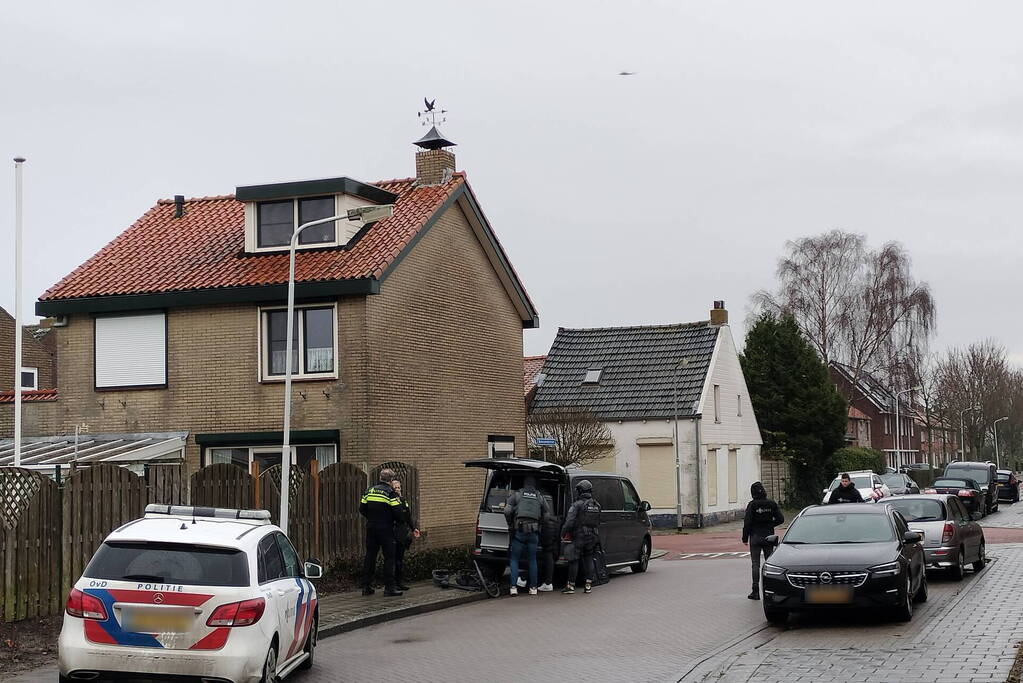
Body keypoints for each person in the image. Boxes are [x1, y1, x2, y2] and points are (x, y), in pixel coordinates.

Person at [359, 468, 410, 597]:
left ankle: (366, 587)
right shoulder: (390, 493)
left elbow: (362, 509)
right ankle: (389, 588)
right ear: (391, 480)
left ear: (380, 478)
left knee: (370, 556)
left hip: (371, 527)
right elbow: (398, 513)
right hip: (386, 529)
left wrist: (372, 518)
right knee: (389, 558)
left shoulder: (369, 490)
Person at [504, 476, 550, 596]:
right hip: (534, 532)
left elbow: (507, 511)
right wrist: (540, 524)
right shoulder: (540, 497)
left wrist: (510, 524)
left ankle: (513, 588)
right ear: (534, 485)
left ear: (524, 484)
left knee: (514, 559)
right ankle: (533, 588)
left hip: (519, 531)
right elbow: (547, 515)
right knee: (532, 559)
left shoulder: (517, 495)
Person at [742, 481, 784, 600]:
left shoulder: (752, 505)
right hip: (768, 537)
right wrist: (770, 525)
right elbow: (781, 519)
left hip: (755, 537)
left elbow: (747, 523)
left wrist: (745, 538)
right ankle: (771, 590)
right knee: (769, 564)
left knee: (755, 564)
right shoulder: (771, 503)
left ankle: (755, 591)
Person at [561, 479, 601, 595]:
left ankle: (570, 586)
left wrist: (563, 533)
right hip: (592, 536)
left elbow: (569, 521)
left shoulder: (577, 505)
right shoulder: (596, 505)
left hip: (579, 536)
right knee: (589, 558)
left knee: (574, 559)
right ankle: (588, 585)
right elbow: (598, 521)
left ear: (580, 491)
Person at [391, 479, 421, 592]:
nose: (397, 489)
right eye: (395, 488)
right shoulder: (390, 501)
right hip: (393, 533)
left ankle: (399, 582)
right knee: (393, 560)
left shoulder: (403, 501)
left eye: (399, 487)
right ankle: (392, 583)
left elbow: (408, 516)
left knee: (400, 559)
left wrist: (413, 529)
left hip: (402, 533)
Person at [537, 496, 560, 592]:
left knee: (544, 556)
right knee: (548, 557)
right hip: (552, 539)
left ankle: (547, 583)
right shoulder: (555, 518)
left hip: (546, 534)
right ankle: (547, 582)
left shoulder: (544, 517)